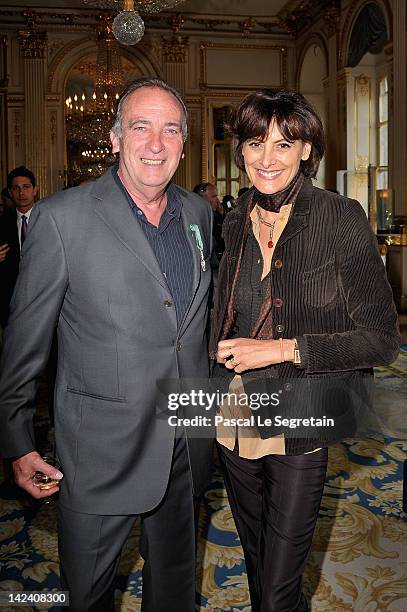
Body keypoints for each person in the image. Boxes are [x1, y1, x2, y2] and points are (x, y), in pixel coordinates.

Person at [0, 77, 214, 611]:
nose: (156, 144)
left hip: (186, 441)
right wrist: (19, 442)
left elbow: (192, 327)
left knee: (175, 591)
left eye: (170, 130)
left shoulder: (200, 216)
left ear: (184, 145)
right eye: (141, 127)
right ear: (116, 138)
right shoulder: (62, 219)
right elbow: (25, 344)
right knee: (88, 596)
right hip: (100, 451)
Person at [209, 88, 400, 611]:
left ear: (307, 151)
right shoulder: (233, 219)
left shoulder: (341, 217)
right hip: (234, 409)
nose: (267, 159)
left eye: (283, 145)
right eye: (255, 144)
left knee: (278, 588)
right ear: (240, 150)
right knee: (255, 557)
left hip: (305, 409)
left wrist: (281, 350)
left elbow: (382, 338)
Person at [0, 166, 37, 329]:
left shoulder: (50, 219)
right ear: (10, 192)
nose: (21, 193)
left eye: (26, 187)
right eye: (16, 188)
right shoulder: (2, 223)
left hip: (43, 297)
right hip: (10, 302)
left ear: (35, 190)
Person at [193, 182, 224, 260]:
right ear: (201, 198)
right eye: (214, 196)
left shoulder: (216, 215)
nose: (218, 201)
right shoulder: (194, 218)